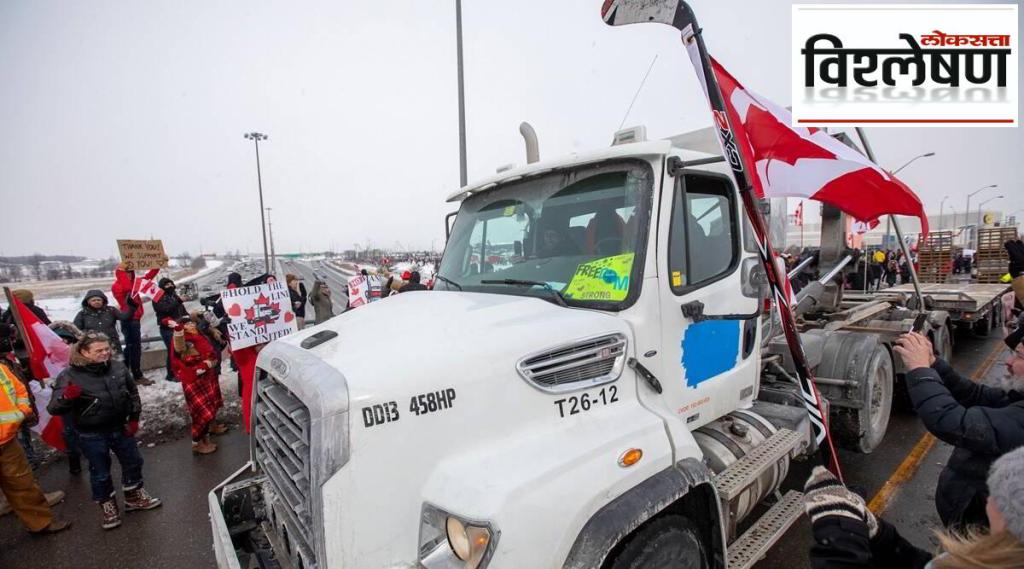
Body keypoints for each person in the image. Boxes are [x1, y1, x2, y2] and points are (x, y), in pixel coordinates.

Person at [804, 446, 1024, 568]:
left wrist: (839, 531)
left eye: (1000, 494)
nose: (988, 499)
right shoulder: (996, 558)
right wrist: (879, 535)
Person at [894, 331, 1024, 530]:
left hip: (980, 534)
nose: (1008, 361)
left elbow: (951, 421)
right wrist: (934, 363)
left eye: (1019, 356)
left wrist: (919, 370)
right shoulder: (1018, 398)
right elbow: (976, 395)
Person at [48, 333, 161, 530]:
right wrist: (66, 396)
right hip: (91, 433)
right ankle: (108, 506)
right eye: (98, 350)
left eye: (107, 349)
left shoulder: (117, 367)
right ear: (84, 352)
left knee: (134, 461)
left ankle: (134, 496)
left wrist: (133, 418)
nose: (105, 353)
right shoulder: (69, 375)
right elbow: (54, 408)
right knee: (100, 472)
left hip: (120, 426)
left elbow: (132, 393)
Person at [0, 358, 71, 535]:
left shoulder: (1, 369)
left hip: (7, 441)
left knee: (23, 484)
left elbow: (19, 389)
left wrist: (22, 411)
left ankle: (41, 523)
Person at [169, 315, 225, 454]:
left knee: (208, 407)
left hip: (206, 377)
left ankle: (206, 438)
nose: (191, 325)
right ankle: (197, 443)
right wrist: (206, 364)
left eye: (191, 322)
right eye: (187, 324)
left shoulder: (199, 335)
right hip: (194, 379)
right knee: (199, 413)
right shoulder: (182, 340)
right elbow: (183, 356)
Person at [72, 290, 152, 386]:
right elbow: (76, 330)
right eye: (93, 300)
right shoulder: (82, 314)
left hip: (113, 345)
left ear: (103, 301)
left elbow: (125, 317)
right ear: (88, 302)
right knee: (98, 366)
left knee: (118, 366)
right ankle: (104, 386)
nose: (96, 302)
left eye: (99, 300)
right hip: (94, 348)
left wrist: (131, 306)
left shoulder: (111, 310)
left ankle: (123, 384)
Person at [111, 265, 159, 384]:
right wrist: (121, 270)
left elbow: (149, 277)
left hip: (136, 319)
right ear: (120, 274)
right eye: (126, 272)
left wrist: (157, 265)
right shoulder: (117, 286)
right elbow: (128, 288)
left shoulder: (134, 283)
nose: (128, 274)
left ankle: (126, 374)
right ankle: (136, 376)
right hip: (128, 318)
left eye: (130, 272)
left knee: (132, 347)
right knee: (133, 347)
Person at [49, 321, 84, 475]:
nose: (64, 343)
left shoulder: (81, 355)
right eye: (60, 340)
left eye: (67, 340)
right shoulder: (47, 357)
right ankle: (74, 459)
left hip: (83, 396)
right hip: (64, 398)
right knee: (69, 430)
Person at [152, 278, 188, 382]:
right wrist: (178, 301)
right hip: (167, 329)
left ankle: (180, 371)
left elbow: (181, 309)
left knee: (180, 350)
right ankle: (171, 374)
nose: (169, 286)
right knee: (172, 351)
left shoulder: (174, 295)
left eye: (170, 283)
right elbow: (165, 309)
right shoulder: (157, 298)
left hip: (179, 326)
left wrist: (187, 317)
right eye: (166, 285)